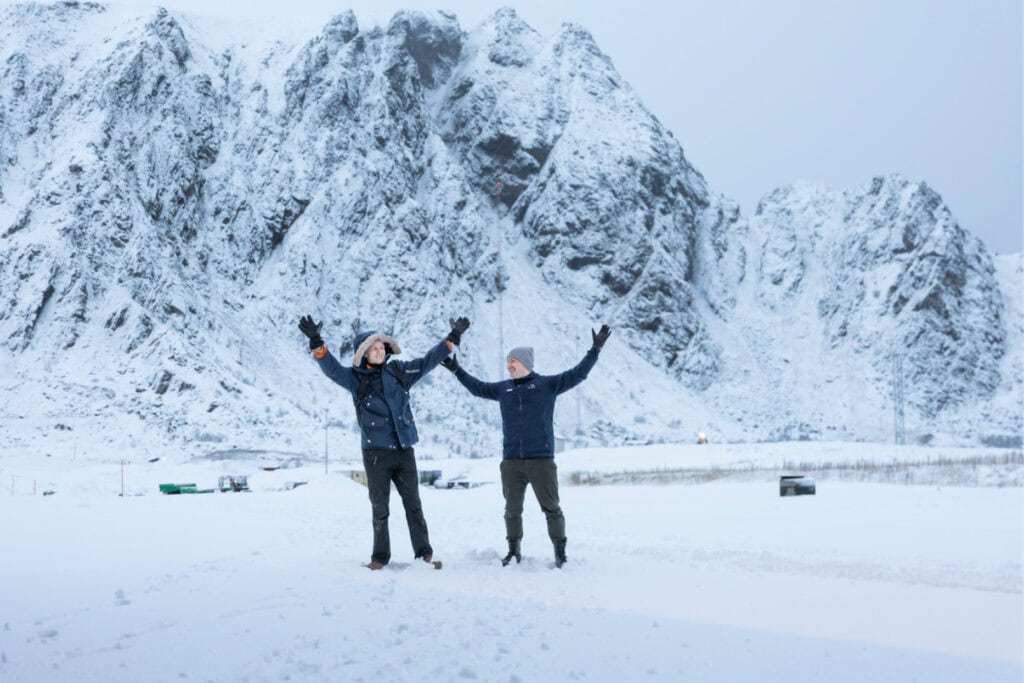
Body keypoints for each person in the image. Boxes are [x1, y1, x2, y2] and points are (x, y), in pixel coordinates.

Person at [298, 314, 470, 570]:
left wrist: (451, 339)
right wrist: (316, 341)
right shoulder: (355, 379)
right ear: (363, 353)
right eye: (373, 349)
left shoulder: (399, 371)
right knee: (380, 508)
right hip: (376, 454)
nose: (379, 352)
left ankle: (424, 555)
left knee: (414, 505)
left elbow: (427, 362)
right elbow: (331, 368)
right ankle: (379, 558)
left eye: (381, 348)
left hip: (404, 450)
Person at [440, 325, 611, 568]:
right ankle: (513, 551)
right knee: (512, 510)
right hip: (511, 462)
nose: (509, 365)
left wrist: (595, 349)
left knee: (552, 508)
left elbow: (578, 374)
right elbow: (477, 387)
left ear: (525, 363)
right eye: (507, 361)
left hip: (541, 460)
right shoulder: (503, 389)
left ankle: (560, 554)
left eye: (513, 361)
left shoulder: (547, 385)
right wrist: (457, 370)